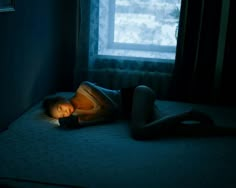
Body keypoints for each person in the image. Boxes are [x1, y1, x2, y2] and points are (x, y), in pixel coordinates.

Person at [43, 81, 236, 140]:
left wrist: (81, 122)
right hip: (136, 109)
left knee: (138, 132)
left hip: (136, 94)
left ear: (62, 98)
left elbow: (112, 109)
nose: (64, 113)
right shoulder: (78, 116)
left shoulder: (83, 89)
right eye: (59, 115)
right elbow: (107, 117)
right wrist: (80, 121)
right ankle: (226, 131)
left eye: (60, 108)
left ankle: (189, 113)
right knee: (173, 130)